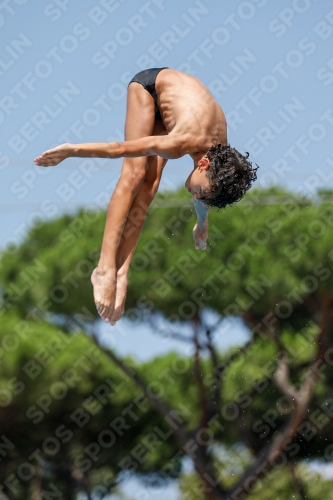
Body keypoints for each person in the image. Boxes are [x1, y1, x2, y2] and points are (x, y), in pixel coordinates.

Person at [34, 68, 257, 325]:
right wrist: (71, 150)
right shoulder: (181, 143)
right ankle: (105, 269)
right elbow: (119, 149)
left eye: (201, 196)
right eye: (200, 192)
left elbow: (208, 192)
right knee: (135, 173)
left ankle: (122, 272)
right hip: (149, 88)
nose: (195, 194)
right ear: (204, 164)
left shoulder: (222, 163)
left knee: (150, 187)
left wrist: (202, 222)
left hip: (178, 111)